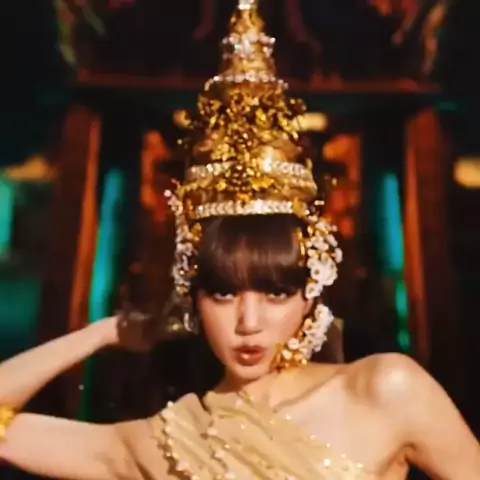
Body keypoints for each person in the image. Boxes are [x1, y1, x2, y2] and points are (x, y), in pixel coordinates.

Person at [1, 1, 479, 479]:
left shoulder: (385, 391)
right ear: (192, 295)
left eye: (275, 293)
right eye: (224, 293)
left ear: (310, 291)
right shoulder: (166, 443)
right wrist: (106, 333)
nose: (249, 322)